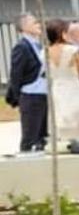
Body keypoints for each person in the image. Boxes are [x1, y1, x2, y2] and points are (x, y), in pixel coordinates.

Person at [45, 19, 79, 147]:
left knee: (60, 121)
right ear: (62, 34)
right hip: (72, 87)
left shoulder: (44, 52)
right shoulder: (72, 50)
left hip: (56, 88)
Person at [6, 14, 47, 151]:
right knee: (30, 135)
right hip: (30, 95)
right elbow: (16, 74)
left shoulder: (38, 45)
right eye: (34, 22)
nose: (38, 25)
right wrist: (18, 98)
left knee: (42, 135)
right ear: (24, 27)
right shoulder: (22, 47)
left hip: (42, 93)